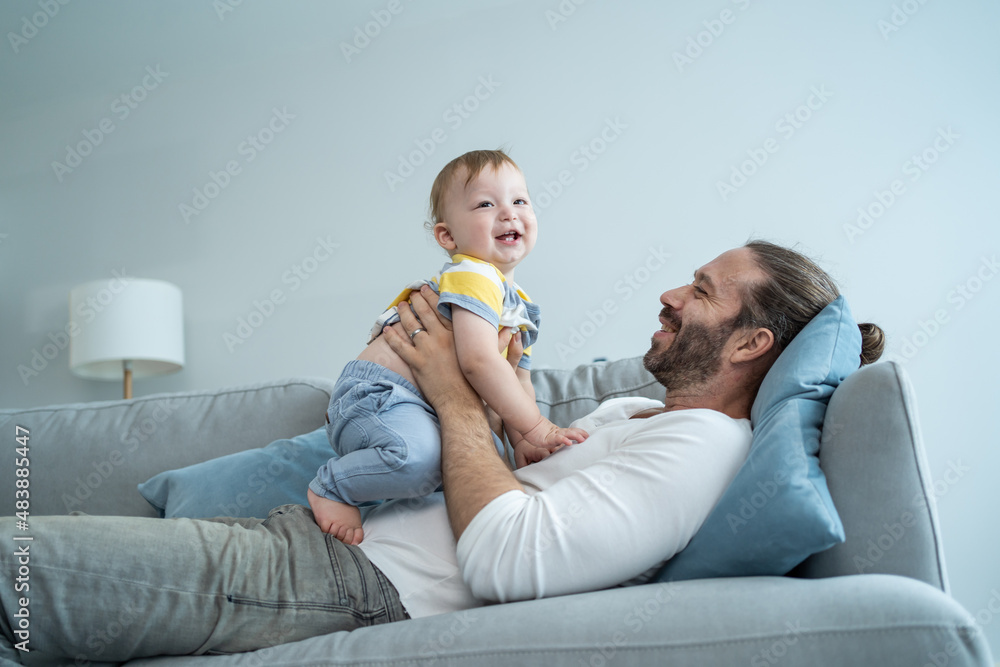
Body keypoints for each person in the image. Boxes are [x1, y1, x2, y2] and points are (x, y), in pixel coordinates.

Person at [0, 241, 884, 664]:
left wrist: (458, 394)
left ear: (748, 345)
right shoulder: (630, 411)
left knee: (17, 563)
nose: (668, 292)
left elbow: (507, 557)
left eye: (699, 290)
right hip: (316, 544)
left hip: (341, 584)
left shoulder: (704, 450)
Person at [307, 149, 588, 545]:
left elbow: (517, 376)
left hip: (429, 406)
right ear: (448, 236)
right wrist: (537, 427)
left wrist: (521, 438)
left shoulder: (519, 303)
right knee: (414, 459)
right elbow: (477, 361)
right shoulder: (472, 274)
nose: (508, 213)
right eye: (486, 204)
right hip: (379, 396)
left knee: (480, 458)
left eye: (519, 200)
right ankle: (331, 486)